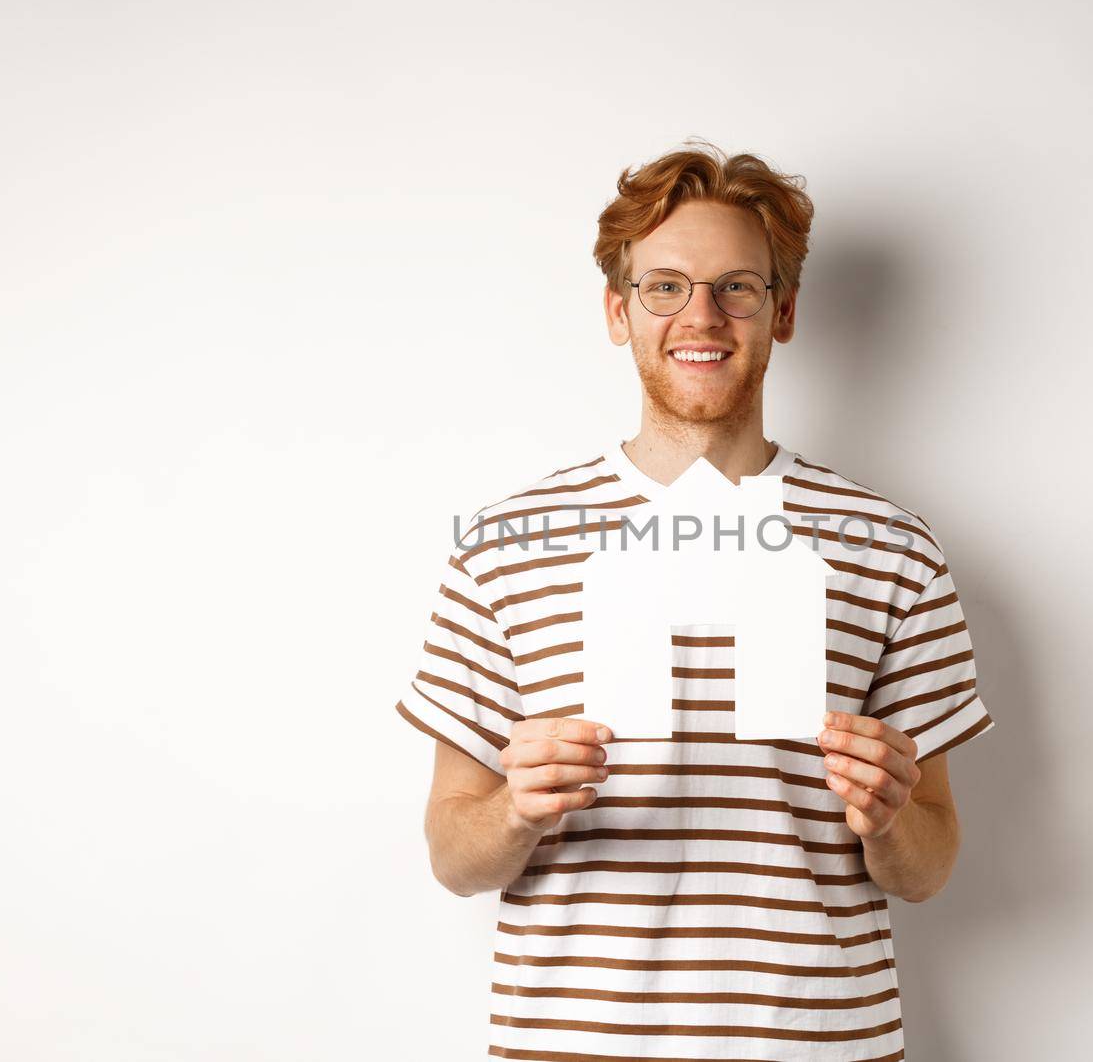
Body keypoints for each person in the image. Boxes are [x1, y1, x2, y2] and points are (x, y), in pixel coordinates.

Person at [395, 139, 994, 1060]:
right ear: (617, 311)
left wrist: (887, 815)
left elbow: (930, 862)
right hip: (571, 1042)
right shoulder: (504, 545)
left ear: (782, 309)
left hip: (819, 1042)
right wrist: (516, 806)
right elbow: (451, 851)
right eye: (664, 286)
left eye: (736, 287)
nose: (700, 314)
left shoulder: (893, 546)